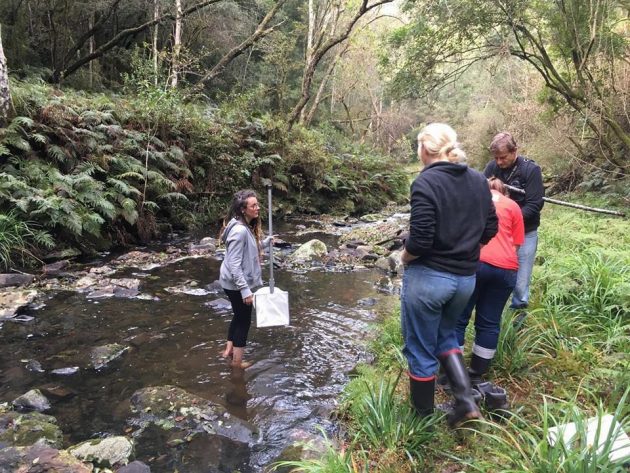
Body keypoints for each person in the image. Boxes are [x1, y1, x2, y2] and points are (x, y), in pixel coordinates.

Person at [401, 123, 498, 427]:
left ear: (423, 150)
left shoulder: (425, 182)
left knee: (419, 347)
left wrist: (403, 257)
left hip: (429, 279)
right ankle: (465, 402)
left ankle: (422, 422)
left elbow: (420, 242)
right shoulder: (479, 180)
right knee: (445, 335)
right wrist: (466, 248)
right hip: (465, 280)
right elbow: (491, 228)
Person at [455, 178, 525, 384]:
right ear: (504, 192)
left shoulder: (474, 200)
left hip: (475, 262)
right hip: (505, 268)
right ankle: (477, 374)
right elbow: (516, 246)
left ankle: (453, 372)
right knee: (489, 322)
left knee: (459, 318)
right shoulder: (513, 206)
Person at [484, 132, 544, 311]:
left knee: (520, 283)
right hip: (497, 232)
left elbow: (535, 205)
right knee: (492, 273)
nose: (499, 162)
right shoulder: (491, 168)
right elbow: (482, 197)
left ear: (514, 151)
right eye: (496, 158)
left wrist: (510, 218)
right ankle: (491, 312)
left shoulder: (530, 170)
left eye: (503, 157)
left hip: (526, 233)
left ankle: (517, 319)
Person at [219, 189, 272, 369]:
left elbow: (248, 248)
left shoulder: (241, 225)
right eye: (253, 205)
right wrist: (245, 289)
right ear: (243, 209)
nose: (258, 208)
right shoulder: (240, 231)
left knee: (238, 316)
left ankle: (228, 351)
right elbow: (234, 264)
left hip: (230, 281)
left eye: (257, 204)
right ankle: (237, 364)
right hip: (235, 283)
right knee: (244, 321)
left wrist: (264, 244)